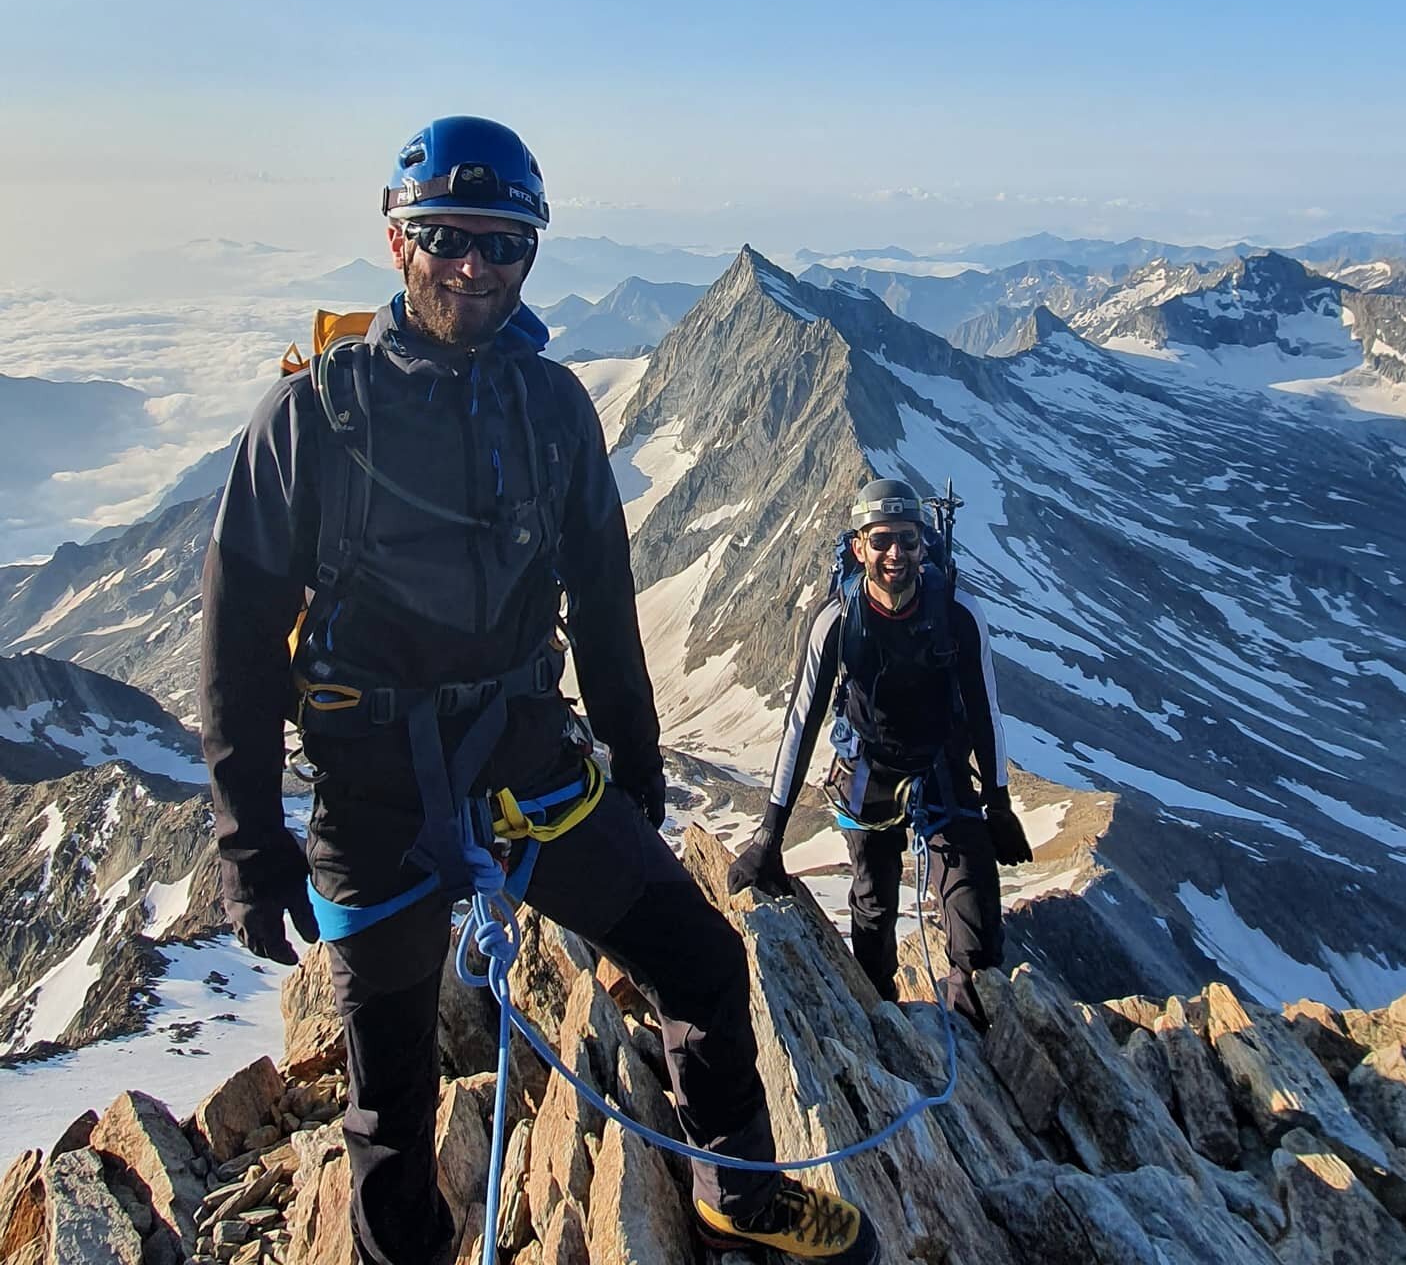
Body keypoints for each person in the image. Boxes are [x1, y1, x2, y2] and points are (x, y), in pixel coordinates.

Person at [199, 116, 878, 1265]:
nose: (473, 266)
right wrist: (248, 839)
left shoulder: (554, 408)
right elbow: (239, 638)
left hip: (532, 770)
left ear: (531, 254)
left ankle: (739, 1201)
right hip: (372, 798)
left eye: (503, 245)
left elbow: (604, 603)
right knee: (390, 1096)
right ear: (396, 238)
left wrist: (639, 763)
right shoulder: (313, 415)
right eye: (446, 237)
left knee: (701, 959)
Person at [728, 478, 1032, 1029]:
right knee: (873, 905)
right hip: (869, 764)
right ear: (860, 546)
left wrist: (999, 802)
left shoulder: (958, 612)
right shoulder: (837, 619)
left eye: (909, 541)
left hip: (941, 762)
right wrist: (769, 833)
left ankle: (975, 1026)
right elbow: (802, 721)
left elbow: (986, 710)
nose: (897, 554)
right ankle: (883, 1023)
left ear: (924, 545)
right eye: (884, 540)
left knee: (977, 919)